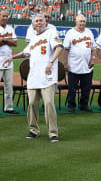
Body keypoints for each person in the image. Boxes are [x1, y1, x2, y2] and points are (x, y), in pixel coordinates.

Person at [4, 14, 63, 142]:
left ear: (45, 22)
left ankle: (53, 133)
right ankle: (33, 130)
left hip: (47, 76)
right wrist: (11, 57)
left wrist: (51, 62)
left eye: (41, 20)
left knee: (48, 103)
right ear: (33, 24)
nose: (39, 23)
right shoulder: (34, 38)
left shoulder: (51, 33)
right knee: (31, 104)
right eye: (36, 21)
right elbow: (25, 52)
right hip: (34, 76)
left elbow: (58, 48)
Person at [63, 14, 96, 113]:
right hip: (73, 65)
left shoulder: (89, 32)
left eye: (83, 21)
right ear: (76, 22)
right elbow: (66, 49)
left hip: (87, 65)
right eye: (80, 21)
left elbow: (93, 48)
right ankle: (71, 105)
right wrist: (66, 63)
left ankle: (84, 105)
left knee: (86, 88)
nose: (82, 23)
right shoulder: (70, 33)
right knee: (72, 87)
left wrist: (93, 59)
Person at [0, 9, 18, 114]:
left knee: (9, 86)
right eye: (3, 16)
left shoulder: (10, 28)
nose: (5, 18)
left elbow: (15, 43)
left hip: (8, 61)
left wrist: (4, 40)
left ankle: (9, 107)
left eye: (7, 16)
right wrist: (8, 40)